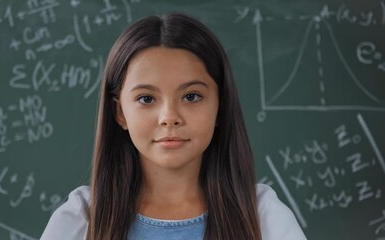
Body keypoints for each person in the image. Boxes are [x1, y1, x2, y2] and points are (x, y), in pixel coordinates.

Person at [40, 12, 306, 240]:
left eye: (191, 96)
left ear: (220, 107)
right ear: (119, 113)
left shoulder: (262, 215)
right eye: (146, 99)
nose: (169, 116)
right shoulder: (82, 217)